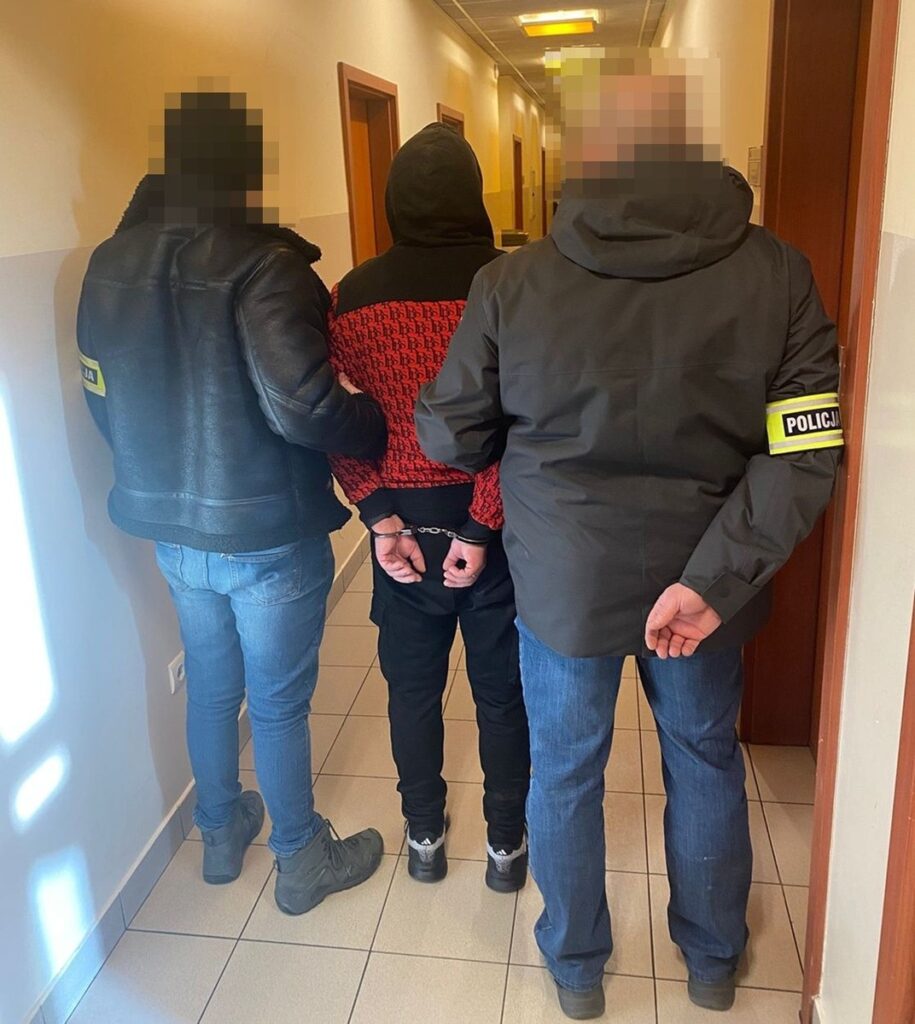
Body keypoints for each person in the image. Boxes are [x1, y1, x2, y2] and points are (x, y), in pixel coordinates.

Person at [416, 54, 842, 1019]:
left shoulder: (510, 282)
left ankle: (574, 967)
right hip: (707, 582)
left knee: (566, 771)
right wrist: (713, 582)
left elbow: (450, 435)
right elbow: (804, 446)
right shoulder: (776, 272)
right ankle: (711, 959)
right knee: (702, 756)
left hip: (564, 581)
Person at [77, 90, 388, 916]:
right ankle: (301, 859)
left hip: (172, 530)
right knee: (277, 701)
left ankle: (219, 833)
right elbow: (305, 407)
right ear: (243, 171)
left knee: (213, 685)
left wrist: (151, 475)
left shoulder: (110, 262)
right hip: (266, 530)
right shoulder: (265, 265)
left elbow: (101, 393)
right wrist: (375, 423)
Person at [326, 123, 530, 890]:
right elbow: (526, 423)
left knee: (410, 692)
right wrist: (480, 524)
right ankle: (505, 846)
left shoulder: (351, 297)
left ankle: (423, 838)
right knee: (501, 695)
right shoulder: (511, 284)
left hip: (401, 532)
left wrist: (378, 515)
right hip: (496, 531)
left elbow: (332, 417)